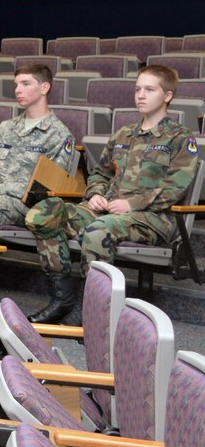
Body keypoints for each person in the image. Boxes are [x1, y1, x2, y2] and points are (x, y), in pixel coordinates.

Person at [26, 65, 199, 324]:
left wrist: (132, 203)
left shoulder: (181, 138)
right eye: (138, 89)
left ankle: (98, 317)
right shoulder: (122, 135)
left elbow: (176, 187)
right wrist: (95, 193)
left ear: (168, 96)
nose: (140, 95)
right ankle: (62, 298)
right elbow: (100, 174)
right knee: (42, 213)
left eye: (149, 89)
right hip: (107, 211)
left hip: (152, 217)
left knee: (98, 230)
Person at [0, 64, 79, 227]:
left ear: (44, 88)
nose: (17, 90)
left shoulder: (58, 134)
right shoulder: (5, 128)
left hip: (26, 207)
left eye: (25, 84)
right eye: (16, 85)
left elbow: (48, 188)